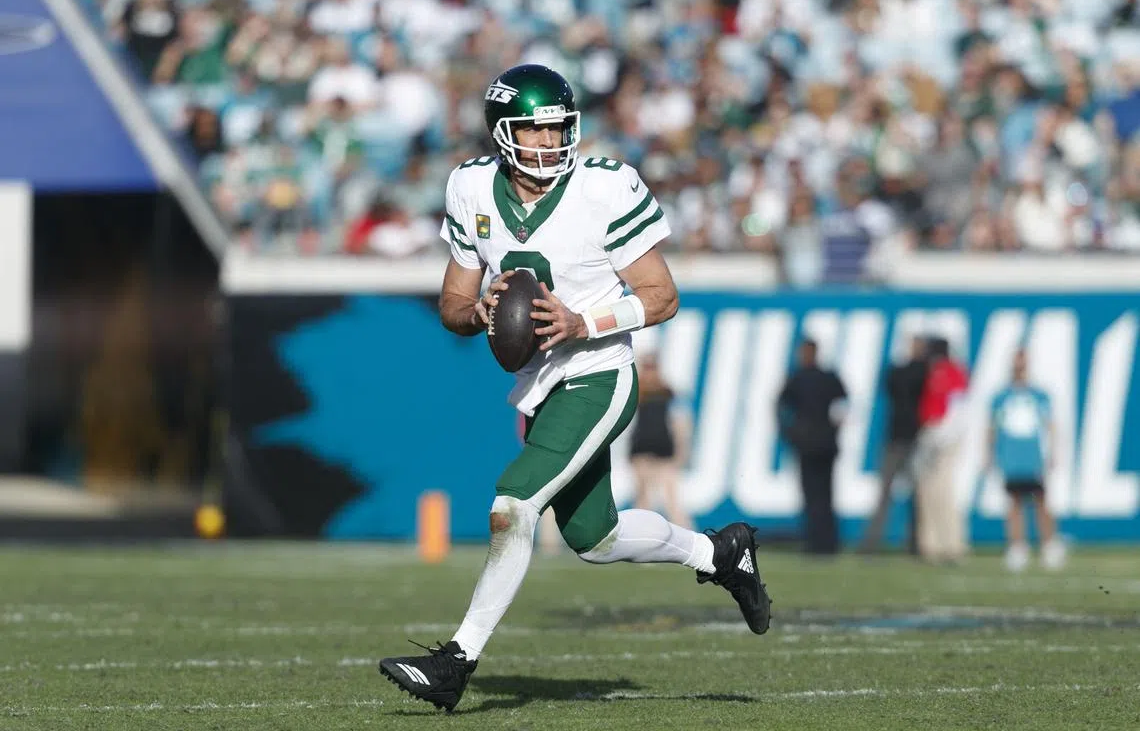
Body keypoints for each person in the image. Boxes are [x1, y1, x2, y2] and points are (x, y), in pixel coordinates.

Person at [376, 64, 772, 712]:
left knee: (513, 506)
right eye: (533, 130)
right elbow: (452, 303)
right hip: (541, 384)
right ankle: (720, 552)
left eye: (557, 127)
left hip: (599, 372)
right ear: (502, 133)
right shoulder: (470, 187)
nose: (549, 141)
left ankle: (456, 662)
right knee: (596, 539)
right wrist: (479, 312)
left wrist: (583, 321)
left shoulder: (603, 187)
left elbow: (662, 295)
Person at [986, 349, 1066, 572]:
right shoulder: (1001, 397)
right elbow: (992, 428)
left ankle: (1049, 544)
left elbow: (1050, 425)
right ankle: (1017, 546)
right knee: (1014, 503)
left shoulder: (1039, 395)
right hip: (1010, 457)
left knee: (1041, 501)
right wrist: (989, 454)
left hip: (1032, 458)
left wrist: (1053, 452)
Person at [777, 338, 848, 556]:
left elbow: (780, 406)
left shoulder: (799, 378)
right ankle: (826, 542)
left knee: (815, 494)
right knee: (823, 494)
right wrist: (834, 429)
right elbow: (842, 405)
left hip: (810, 444)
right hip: (823, 443)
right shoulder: (827, 377)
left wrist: (788, 432)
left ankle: (818, 542)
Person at [858, 335, 927, 554]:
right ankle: (873, 542)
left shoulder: (913, 372)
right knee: (888, 494)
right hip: (901, 438)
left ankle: (916, 542)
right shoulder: (916, 371)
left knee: (915, 496)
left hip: (914, 440)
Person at [913, 336, 969, 564]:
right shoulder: (930, 371)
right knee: (926, 492)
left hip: (944, 435)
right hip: (928, 433)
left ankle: (952, 544)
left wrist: (945, 433)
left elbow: (959, 406)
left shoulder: (953, 372)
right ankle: (930, 545)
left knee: (944, 490)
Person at [629, 352, 692, 530]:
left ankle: (690, 537)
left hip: (664, 451)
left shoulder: (667, 392)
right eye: (647, 367)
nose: (649, 372)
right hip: (641, 451)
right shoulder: (636, 392)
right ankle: (642, 536)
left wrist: (681, 451)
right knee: (643, 499)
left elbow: (680, 422)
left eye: (652, 368)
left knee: (671, 499)